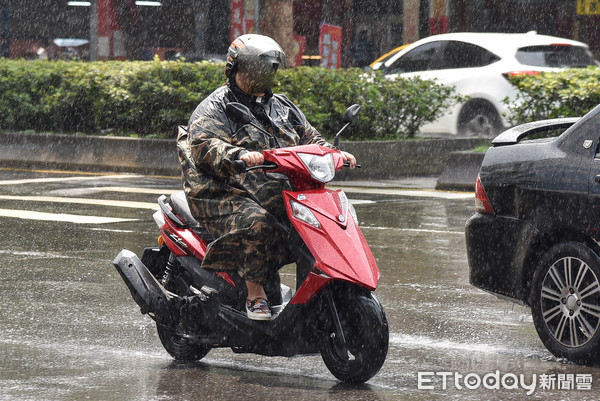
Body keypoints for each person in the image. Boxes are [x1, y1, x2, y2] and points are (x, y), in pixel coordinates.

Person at [177, 34, 356, 320]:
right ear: (236, 69)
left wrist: (333, 152)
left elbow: (310, 138)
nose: (264, 75)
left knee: (322, 221)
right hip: (221, 190)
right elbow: (206, 146)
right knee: (257, 223)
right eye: (256, 69)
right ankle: (255, 295)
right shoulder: (215, 108)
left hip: (269, 188)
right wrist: (238, 155)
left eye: (270, 69)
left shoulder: (282, 106)